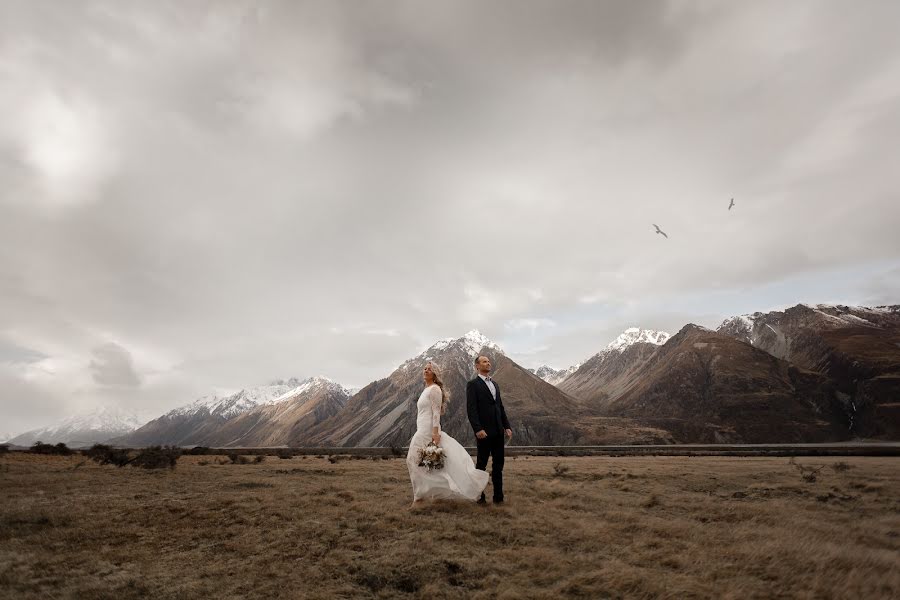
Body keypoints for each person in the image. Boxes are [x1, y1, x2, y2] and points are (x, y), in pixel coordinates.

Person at [406, 361, 489, 505]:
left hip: (428, 430)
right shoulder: (426, 389)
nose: (425, 371)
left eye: (429, 369)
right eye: (424, 368)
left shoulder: (435, 390)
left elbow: (436, 413)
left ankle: (419, 498)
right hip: (421, 428)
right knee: (426, 464)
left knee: (413, 461)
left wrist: (435, 434)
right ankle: (431, 493)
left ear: (434, 373)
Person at [466, 355, 512, 504]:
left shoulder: (495, 384)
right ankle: (480, 497)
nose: (488, 363)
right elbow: (471, 409)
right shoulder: (473, 384)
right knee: (481, 465)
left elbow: (500, 407)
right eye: (484, 361)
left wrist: (507, 426)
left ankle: (498, 498)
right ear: (477, 366)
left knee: (498, 466)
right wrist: (478, 429)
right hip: (484, 432)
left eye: (489, 361)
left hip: (498, 431)